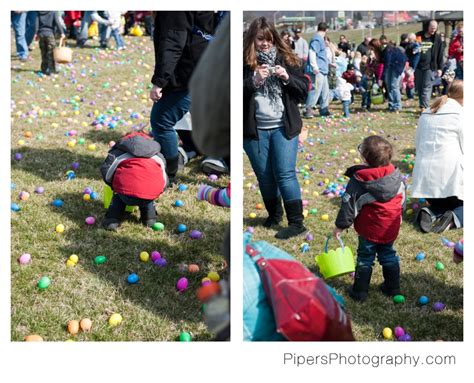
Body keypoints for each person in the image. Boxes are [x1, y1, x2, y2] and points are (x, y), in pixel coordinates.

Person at [243, 17, 309, 239]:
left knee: (285, 174)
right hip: (255, 131)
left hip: (284, 127)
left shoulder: (288, 59)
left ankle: (296, 223)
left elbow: (303, 92)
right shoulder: (242, 63)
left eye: (269, 39)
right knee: (264, 176)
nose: (264, 43)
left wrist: (286, 77)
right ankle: (274, 215)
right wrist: (252, 81)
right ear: (252, 39)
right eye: (260, 39)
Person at [149, 11, 222, 184]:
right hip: (202, 70)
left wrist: (159, 81)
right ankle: (193, 151)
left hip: (189, 74)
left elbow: (173, 43)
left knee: (161, 119)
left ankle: (170, 174)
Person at [333, 136, 406, 302]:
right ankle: (392, 287)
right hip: (390, 226)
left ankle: (359, 291)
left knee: (365, 257)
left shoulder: (360, 181)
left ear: (365, 158)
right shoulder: (395, 175)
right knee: (388, 254)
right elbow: (402, 198)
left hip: (369, 229)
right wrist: (399, 215)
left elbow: (349, 205)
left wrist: (340, 226)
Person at [411, 80, 463, 233]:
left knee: (444, 202)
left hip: (426, 182)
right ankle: (455, 217)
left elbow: (418, 143)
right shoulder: (461, 114)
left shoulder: (428, 110)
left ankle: (431, 212)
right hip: (451, 180)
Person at [100, 130, 168, 230]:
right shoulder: (156, 154)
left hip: (125, 194)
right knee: (147, 192)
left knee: (119, 195)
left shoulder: (120, 152)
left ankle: (112, 220)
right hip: (150, 194)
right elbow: (164, 176)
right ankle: (149, 219)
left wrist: (113, 185)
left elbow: (107, 170)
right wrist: (159, 190)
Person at [415, 20, 444, 110]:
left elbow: (440, 53)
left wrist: (440, 68)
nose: (433, 30)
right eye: (432, 28)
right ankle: (422, 105)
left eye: (435, 28)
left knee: (426, 87)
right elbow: (414, 48)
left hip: (430, 66)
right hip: (418, 66)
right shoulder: (419, 35)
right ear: (427, 26)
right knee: (419, 87)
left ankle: (425, 107)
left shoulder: (437, 38)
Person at [304, 22, 330, 118]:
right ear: (326, 30)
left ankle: (324, 109)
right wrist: (314, 66)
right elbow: (312, 52)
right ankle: (308, 109)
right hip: (317, 70)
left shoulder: (321, 39)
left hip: (323, 70)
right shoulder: (317, 39)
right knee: (315, 90)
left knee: (325, 91)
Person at [36, 11, 66, 75]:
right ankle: (51, 70)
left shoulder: (38, 12)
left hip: (41, 34)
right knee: (51, 53)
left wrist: (36, 33)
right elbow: (57, 22)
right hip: (50, 35)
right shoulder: (53, 12)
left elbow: (36, 24)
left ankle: (44, 69)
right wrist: (62, 32)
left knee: (43, 52)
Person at [383, 42, 407, 111]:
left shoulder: (394, 51)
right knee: (390, 86)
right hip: (392, 68)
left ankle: (397, 105)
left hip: (396, 69)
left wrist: (399, 70)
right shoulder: (390, 51)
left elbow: (388, 61)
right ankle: (392, 104)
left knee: (394, 86)